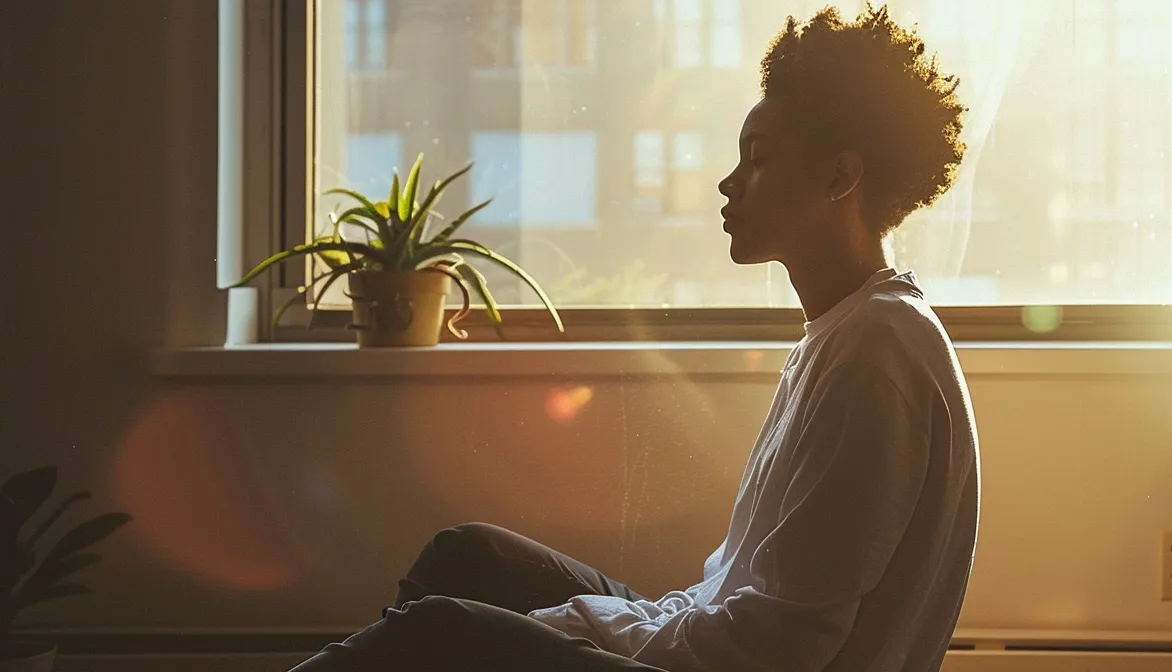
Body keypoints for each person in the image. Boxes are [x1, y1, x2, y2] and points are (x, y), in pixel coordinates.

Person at [289, 4, 978, 670]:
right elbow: (731, 592)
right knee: (469, 558)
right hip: (732, 641)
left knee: (437, 629)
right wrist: (583, 631)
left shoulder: (877, 352)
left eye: (758, 157)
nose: (728, 181)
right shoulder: (842, 334)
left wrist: (550, 636)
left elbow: (780, 644)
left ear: (840, 176)